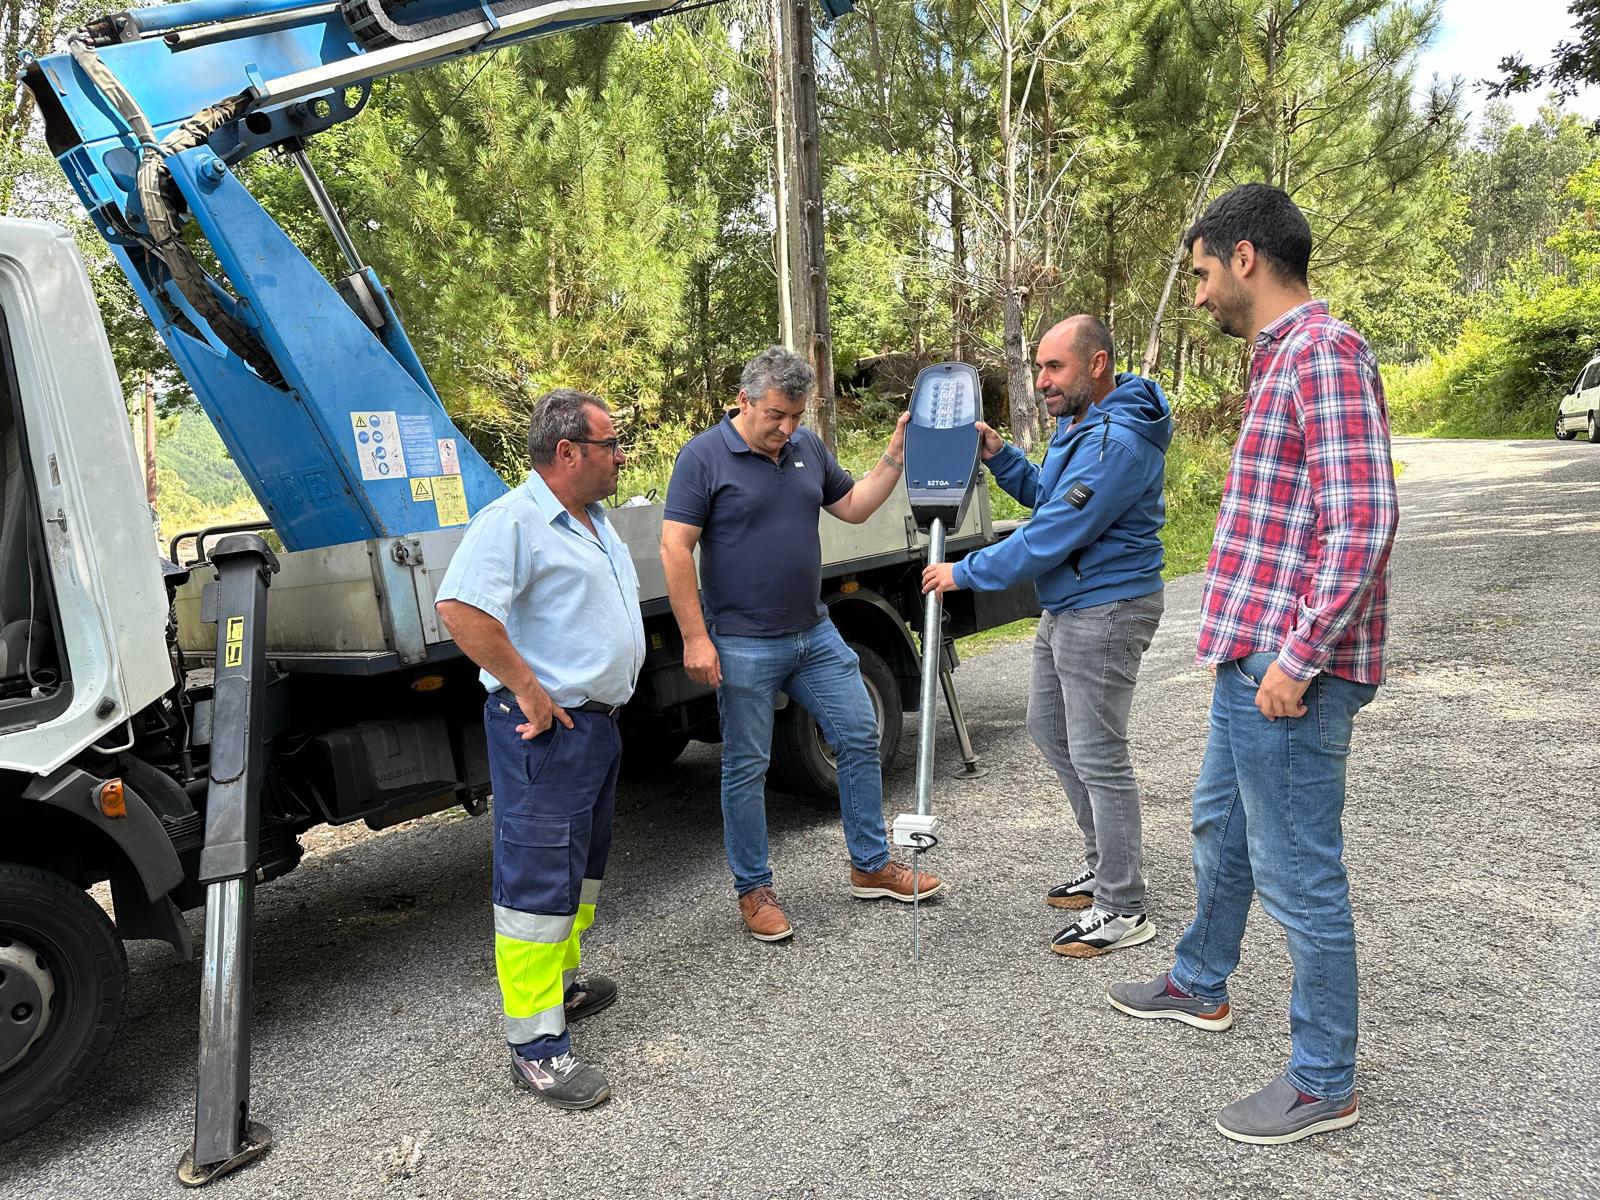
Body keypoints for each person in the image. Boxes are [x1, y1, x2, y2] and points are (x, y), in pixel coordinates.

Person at [1106, 183, 1399, 1145]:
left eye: (1199, 273)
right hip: (1254, 657)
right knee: (1219, 828)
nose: (1196, 295)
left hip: (1290, 672)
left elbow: (1363, 524)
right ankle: (1200, 980)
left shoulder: (1325, 352)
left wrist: (1298, 658)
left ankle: (1324, 1078)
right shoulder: (1280, 363)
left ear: (1244, 257)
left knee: (1299, 875)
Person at [660, 346, 943, 942]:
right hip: (741, 644)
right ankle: (754, 889)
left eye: (795, 416)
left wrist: (895, 454)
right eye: (775, 417)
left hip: (813, 633)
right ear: (744, 401)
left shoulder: (805, 449)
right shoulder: (703, 457)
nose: (786, 429)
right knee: (746, 766)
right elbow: (674, 547)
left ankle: (869, 867)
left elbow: (856, 507)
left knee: (860, 732)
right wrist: (695, 637)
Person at [921, 315, 1170, 957]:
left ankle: (1123, 906)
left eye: (1054, 367)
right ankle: (1105, 866)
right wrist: (1001, 456)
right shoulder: (1082, 427)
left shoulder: (1118, 438)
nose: (1041, 381)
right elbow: (1049, 495)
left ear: (1097, 363)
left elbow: (1055, 530)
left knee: (1098, 754)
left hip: (1107, 607)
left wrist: (964, 572)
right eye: (1039, 367)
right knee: (1048, 728)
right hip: (1072, 602)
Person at [435, 388, 644, 1111]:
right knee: (535, 888)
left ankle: (561, 988)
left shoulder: (593, 522)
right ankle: (536, 1048)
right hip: (548, 732)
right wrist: (526, 687)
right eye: (610, 444)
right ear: (567, 452)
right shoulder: (516, 521)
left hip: (595, 728)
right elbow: (460, 608)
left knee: (579, 876)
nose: (621, 456)